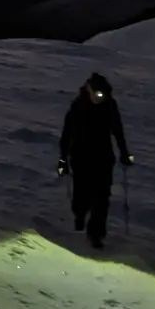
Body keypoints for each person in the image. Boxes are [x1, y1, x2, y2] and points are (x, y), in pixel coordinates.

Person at [57, 72, 134, 248]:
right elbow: (67, 133)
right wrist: (63, 159)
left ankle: (96, 233)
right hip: (81, 156)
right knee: (82, 192)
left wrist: (124, 152)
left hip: (103, 157)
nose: (100, 98)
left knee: (102, 196)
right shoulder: (78, 106)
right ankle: (80, 215)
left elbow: (117, 130)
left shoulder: (109, 105)